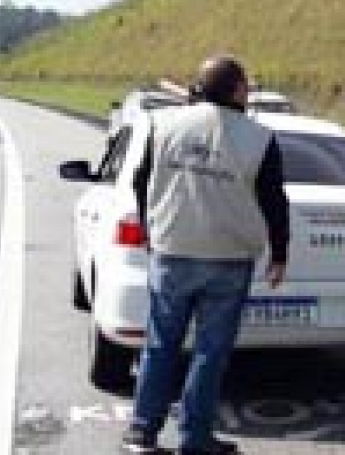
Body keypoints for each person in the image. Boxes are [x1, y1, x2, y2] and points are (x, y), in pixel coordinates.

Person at [122, 56, 289, 455]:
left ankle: (142, 430)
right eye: (245, 86)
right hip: (228, 256)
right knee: (211, 351)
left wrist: (151, 228)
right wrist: (280, 252)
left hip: (172, 249)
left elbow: (140, 180)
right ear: (236, 90)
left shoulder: (162, 125)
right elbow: (273, 201)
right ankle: (195, 438)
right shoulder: (258, 137)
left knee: (161, 343)